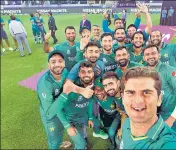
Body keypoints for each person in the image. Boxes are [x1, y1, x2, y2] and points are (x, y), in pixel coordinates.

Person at [120, 66, 176, 149]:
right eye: (131, 92)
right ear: (123, 98)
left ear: (159, 99)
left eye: (146, 92)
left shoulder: (168, 143)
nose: (138, 101)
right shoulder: (127, 123)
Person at [56, 61, 103, 149]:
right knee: (80, 145)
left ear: (93, 74)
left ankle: (84, 140)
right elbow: (58, 108)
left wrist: (90, 118)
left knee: (83, 134)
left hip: (81, 118)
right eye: (83, 72)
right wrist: (68, 126)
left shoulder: (92, 86)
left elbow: (89, 103)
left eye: (89, 72)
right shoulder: (71, 89)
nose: (86, 74)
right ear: (79, 74)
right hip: (70, 120)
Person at [37, 50, 72, 149]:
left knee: (60, 130)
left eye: (60, 61)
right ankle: (56, 143)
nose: (57, 64)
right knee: (54, 142)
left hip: (62, 109)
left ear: (64, 63)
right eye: (53, 62)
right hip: (50, 116)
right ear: (48, 65)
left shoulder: (65, 71)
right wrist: (65, 94)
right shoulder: (44, 83)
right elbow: (49, 112)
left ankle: (60, 141)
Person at [143, 44, 176, 131]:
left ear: (159, 55)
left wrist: (171, 119)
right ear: (144, 58)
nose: (150, 56)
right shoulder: (144, 73)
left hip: (171, 116)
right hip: (155, 116)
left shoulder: (170, 71)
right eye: (147, 54)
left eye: (153, 53)